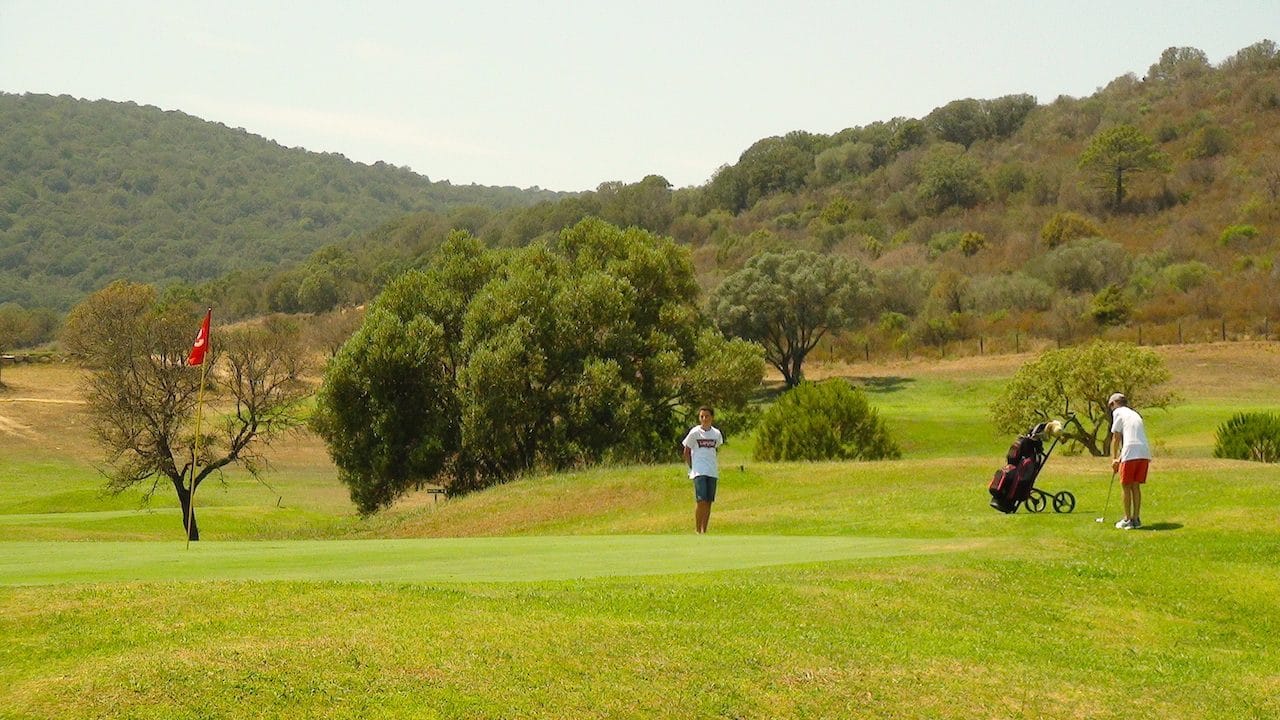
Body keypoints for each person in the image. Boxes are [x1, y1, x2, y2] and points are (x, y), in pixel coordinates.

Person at [1108, 392, 1151, 530]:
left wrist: (1114, 458)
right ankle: (1136, 519)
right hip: (1143, 451)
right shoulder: (1134, 413)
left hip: (1131, 451)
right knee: (1135, 486)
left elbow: (1116, 437)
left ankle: (1127, 519)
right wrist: (1120, 457)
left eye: (1110, 405)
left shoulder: (1118, 412)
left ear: (1115, 403)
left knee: (1126, 486)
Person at [682, 406, 723, 534]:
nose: (704, 419)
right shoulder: (694, 433)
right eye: (702, 416)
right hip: (699, 471)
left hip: (712, 471)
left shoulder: (716, 434)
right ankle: (697, 530)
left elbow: (715, 448)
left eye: (707, 416)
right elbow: (686, 451)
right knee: (701, 500)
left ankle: (704, 530)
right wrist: (692, 467)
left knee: (709, 501)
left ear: (712, 418)